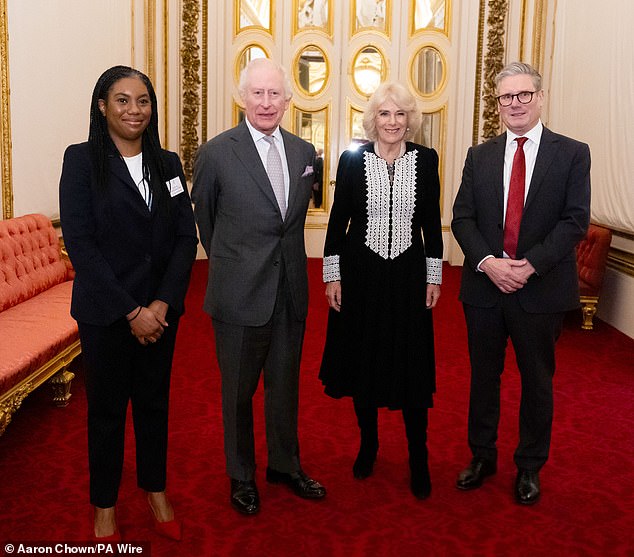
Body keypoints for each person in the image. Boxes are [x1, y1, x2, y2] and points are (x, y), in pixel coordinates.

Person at [59, 65, 198, 540]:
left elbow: (185, 236)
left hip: (160, 314)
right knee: (106, 411)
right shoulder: (81, 161)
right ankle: (105, 504)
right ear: (102, 107)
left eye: (143, 101)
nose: (134, 110)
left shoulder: (169, 164)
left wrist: (160, 304)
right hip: (107, 313)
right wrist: (131, 311)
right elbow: (80, 243)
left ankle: (155, 489)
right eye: (122, 100)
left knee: (155, 404)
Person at [192, 57, 326, 516]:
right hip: (238, 293)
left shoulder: (304, 152)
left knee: (285, 387)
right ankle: (242, 475)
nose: (266, 102)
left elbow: (290, 222)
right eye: (258, 93)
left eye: (275, 94)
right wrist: (238, 265)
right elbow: (205, 222)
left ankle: (285, 466)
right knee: (238, 392)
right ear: (241, 97)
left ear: (288, 101)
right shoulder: (215, 152)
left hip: (289, 291)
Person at [451, 62, 590, 505]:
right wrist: (490, 262)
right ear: (497, 105)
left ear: (540, 96)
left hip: (541, 289)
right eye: (506, 97)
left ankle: (529, 466)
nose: (515, 104)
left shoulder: (572, 153)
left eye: (523, 95)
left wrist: (529, 266)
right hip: (485, 289)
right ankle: (482, 456)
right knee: (483, 378)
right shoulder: (480, 155)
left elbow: (574, 222)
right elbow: (462, 218)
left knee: (537, 381)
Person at [320, 81, 443, 500]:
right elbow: (338, 223)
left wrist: (434, 276)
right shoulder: (352, 160)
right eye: (385, 114)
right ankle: (368, 444)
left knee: (410, 365)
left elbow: (431, 221)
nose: (392, 122)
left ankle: (418, 455)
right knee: (364, 363)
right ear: (373, 119)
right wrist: (332, 276)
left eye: (400, 114)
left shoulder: (426, 161)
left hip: (408, 277)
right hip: (360, 277)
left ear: (411, 120)